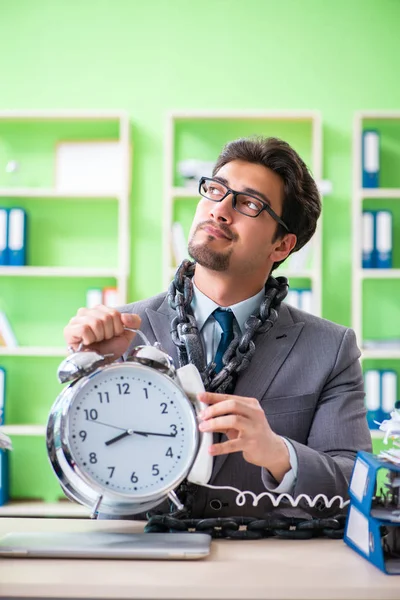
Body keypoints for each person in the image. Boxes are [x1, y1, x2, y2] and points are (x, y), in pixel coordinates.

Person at [64, 136, 372, 520]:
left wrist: (280, 454)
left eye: (249, 203)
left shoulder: (331, 349)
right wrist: (88, 371)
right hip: (134, 562)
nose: (220, 210)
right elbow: (73, 465)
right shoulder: (121, 332)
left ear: (282, 246)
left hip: (265, 569)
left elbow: (357, 484)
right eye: (215, 190)